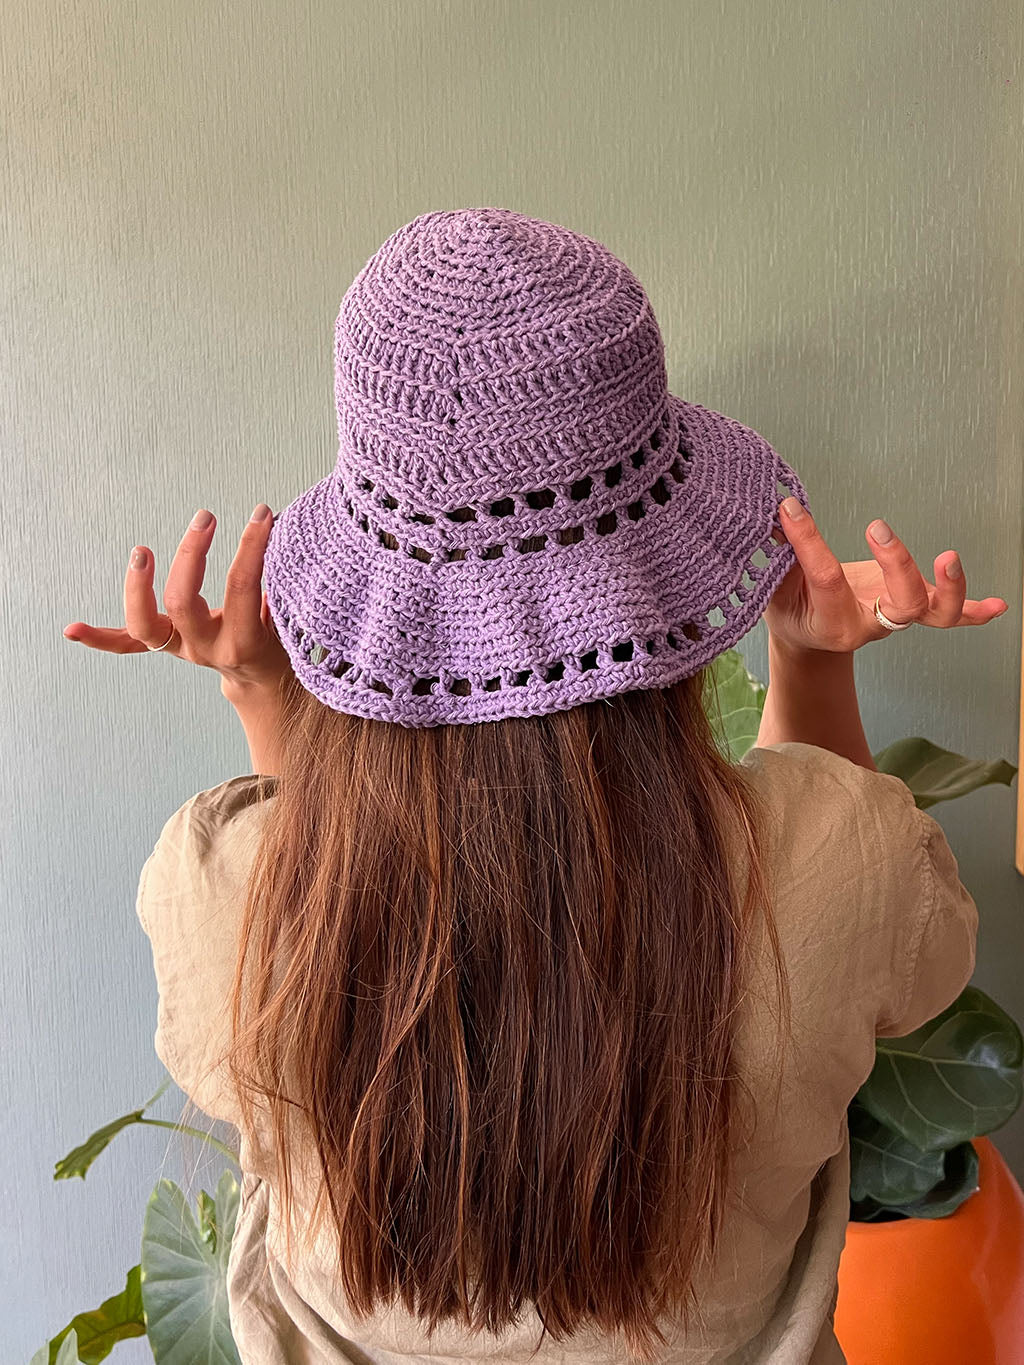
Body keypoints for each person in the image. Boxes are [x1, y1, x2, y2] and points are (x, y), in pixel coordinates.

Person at [64, 208, 1006, 1365]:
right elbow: (879, 952)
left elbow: (322, 895)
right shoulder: (839, 863)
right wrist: (808, 658)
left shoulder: (218, 897)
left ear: (377, 579)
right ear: (659, 550)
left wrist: (268, 695)